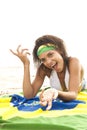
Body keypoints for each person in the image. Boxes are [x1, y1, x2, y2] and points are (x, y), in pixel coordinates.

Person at [10, 35, 86, 110]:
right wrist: (26, 64)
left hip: (81, 87)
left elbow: (73, 94)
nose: (48, 62)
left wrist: (55, 92)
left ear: (60, 51)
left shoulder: (73, 62)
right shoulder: (44, 68)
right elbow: (28, 95)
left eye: (50, 54)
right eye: (43, 60)